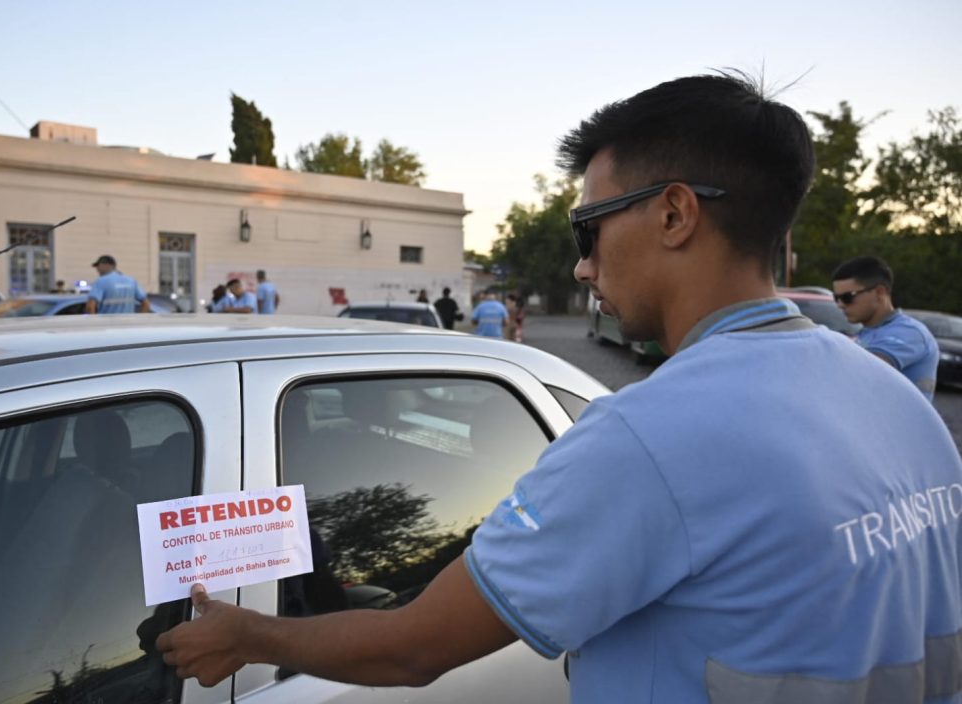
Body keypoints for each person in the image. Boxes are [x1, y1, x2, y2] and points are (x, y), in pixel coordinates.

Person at [155, 73, 962, 702]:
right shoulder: (896, 397)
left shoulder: (647, 437)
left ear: (675, 214)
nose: (582, 264)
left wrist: (251, 637)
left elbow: (412, 647)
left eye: (590, 227)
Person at [832, 255, 940, 401]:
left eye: (847, 297)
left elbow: (860, 372)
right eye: (836, 298)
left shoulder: (909, 332)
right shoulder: (866, 333)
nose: (840, 304)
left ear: (879, 292)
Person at [85, 255, 150, 314]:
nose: (97, 269)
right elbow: (146, 304)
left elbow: (90, 307)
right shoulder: (131, 281)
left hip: (107, 324)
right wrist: (138, 319)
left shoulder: (101, 281)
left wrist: (94, 323)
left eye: (98, 266)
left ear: (107, 265)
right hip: (128, 324)